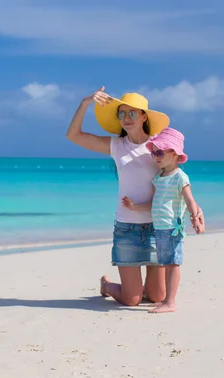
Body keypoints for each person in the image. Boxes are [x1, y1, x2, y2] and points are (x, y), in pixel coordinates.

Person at [65, 87, 204, 307]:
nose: (126, 118)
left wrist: (195, 207)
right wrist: (85, 103)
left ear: (143, 116)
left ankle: (140, 288)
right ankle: (107, 285)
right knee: (132, 300)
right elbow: (73, 136)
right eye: (122, 114)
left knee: (157, 296)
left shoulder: (158, 146)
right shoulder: (116, 146)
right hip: (127, 229)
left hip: (157, 227)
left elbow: (177, 178)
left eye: (132, 113)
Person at [122, 128, 204, 313]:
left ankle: (170, 302)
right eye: (153, 153)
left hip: (171, 229)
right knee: (166, 263)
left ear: (174, 154)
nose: (155, 157)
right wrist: (134, 207)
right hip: (158, 229)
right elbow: (154, 203)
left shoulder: (179, 177)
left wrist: (195, 218)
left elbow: (189, 199)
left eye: (159, 152)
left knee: (172, 264)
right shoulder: (158, 178)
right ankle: (167, 300)